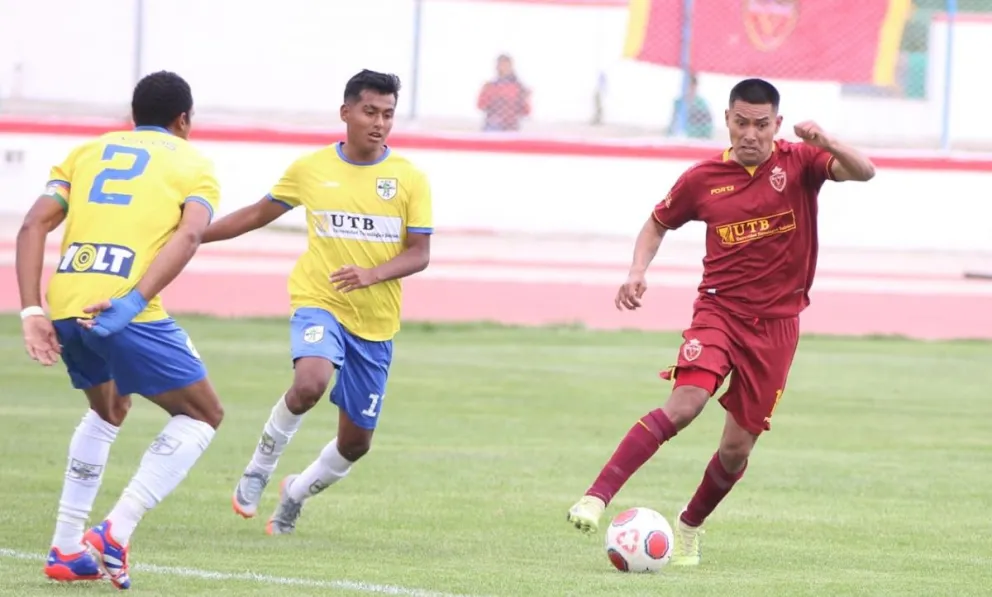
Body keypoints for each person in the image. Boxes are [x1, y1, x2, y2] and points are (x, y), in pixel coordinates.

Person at [565, 78, 876, 565]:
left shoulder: (801, 163)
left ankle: (689, 523)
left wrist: (828, 142)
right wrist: (637, 270)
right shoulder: (702, 179)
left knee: (736, 450)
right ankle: (597, 496)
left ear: (776, 123)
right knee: (685, 404)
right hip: (719, 311)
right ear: (727, 120)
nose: (749, 133)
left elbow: (866, 172)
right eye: (740, 122)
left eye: (760, 124)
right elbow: (657, 223)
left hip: (777, 326)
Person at [200, 69, 432, 535]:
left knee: (356, 443)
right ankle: (259, 467)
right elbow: (255, 214)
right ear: (345, 112)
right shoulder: (311, 169)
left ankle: (296, 491)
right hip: (319, 300)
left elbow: (420, 254)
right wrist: (192, 238)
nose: (380, 122)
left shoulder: (409, 179)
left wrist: (371, 274)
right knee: (309, 383)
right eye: (370, 111)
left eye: (388, 114)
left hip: (376, 323)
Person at [16, 70, 224, 590]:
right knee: (202, 415)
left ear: (135, 117)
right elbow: (192, 233)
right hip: (123, 304)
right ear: (184, 120)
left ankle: (66, 548)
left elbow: (31, 224)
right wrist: (133, 301)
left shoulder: (86, 154)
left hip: (66, 301)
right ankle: (116, 530)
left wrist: (30, 312)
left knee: (109, 408)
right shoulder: (194, 163)